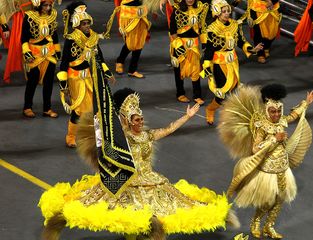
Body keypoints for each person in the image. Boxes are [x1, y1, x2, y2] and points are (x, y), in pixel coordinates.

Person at [39, 24, 237, 238]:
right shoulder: (120, 137)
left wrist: (187, 117)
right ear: (126, 120)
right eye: (136, 119)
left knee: (177, 205)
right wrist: (101, 120)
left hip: (150, 181)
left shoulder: (146, 135)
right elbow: (103, 136)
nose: (140, 122)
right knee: (121, 212)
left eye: (141, 118)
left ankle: (142, 232)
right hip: (125, 182)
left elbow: (168, 129)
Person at [218, 84, 313, 239]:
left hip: (282, 168)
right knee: (266, 201)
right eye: (273, 111)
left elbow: (293, 115)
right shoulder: (261, 126)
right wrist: (273, 139)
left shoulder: (282, 121)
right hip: (267, 170)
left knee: (280, 200)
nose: (276, 114)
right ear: (267, 110)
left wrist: (306, 102)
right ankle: (255, 223)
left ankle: (269, 226)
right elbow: (255, 148)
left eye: (279, 111)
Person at [57, 1, 114, 147]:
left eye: (88, 23)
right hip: (76, 79)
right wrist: (63, 86)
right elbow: (64, 63)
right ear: (77, 25)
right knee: (78, 110)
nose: (87, 25)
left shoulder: (94, 37)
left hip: (91, 76)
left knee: (93, 108)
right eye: (84, 23)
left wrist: (107, 72)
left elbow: (99, 57)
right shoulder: (71, 40)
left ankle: (89, 135)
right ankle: (71, 136)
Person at [201, 0, 262, 125]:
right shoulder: (212, 29)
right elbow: (209, 49)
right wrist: (207, 66)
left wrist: (252, 49)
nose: (227, 13)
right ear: (217, 13)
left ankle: (229, 115)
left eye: (228, 11)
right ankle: (210, 109)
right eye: (224, 11)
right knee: (222, 93)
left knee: (233, 89)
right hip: (219, 64)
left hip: (233, 63)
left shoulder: (234, 25)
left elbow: (240, 41)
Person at [21, 0, 60, 118]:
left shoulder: (52, 16)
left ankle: (47, 108)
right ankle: (27, 107)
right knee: (32, 81)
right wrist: (26, 52)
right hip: (34, 54)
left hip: (49, 53)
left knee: (48, 82)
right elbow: (23, 37)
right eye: (45, 5)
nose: (48, 8)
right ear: (39, 5)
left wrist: (57, 50)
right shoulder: (29, 17)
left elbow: (54, 35)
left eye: (49, 5)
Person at [169, 0, 209, 105]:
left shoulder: (200, 9)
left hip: (194, 47)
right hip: (180, 45)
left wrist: (204, 42)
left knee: (196, 70)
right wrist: (178, 45)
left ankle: (197, 95)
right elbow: (172, 31)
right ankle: (180, 93)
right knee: (179, 71)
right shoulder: (177, 10)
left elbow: (202, 28)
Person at [114, 0, 150, 78]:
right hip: (129, 13)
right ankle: (120, 61)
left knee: (139, 42)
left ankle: (132, 70)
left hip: (142, 11)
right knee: (130, 43)